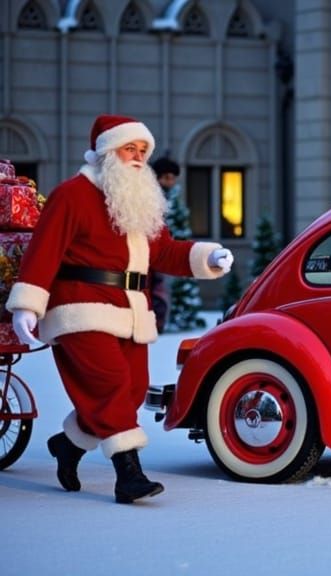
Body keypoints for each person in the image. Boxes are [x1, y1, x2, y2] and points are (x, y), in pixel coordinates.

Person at [6, 114, 233, 504]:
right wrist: (27, 304)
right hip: (80, 307)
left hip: (129, 309)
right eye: (130, 148)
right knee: (109, 385)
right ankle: (129, 475)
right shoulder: (72, 195)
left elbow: (163, 251)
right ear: (107, 151)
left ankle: (69, 445)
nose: (138, 157)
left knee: (131, 391)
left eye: (143, 150)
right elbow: (44, 252)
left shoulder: (136, 200)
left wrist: (207, 257)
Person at [148, 155, 181, 332]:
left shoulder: (163, 198)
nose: (171, 183)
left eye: (173, 178)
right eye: (167, 178)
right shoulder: (151, 197)